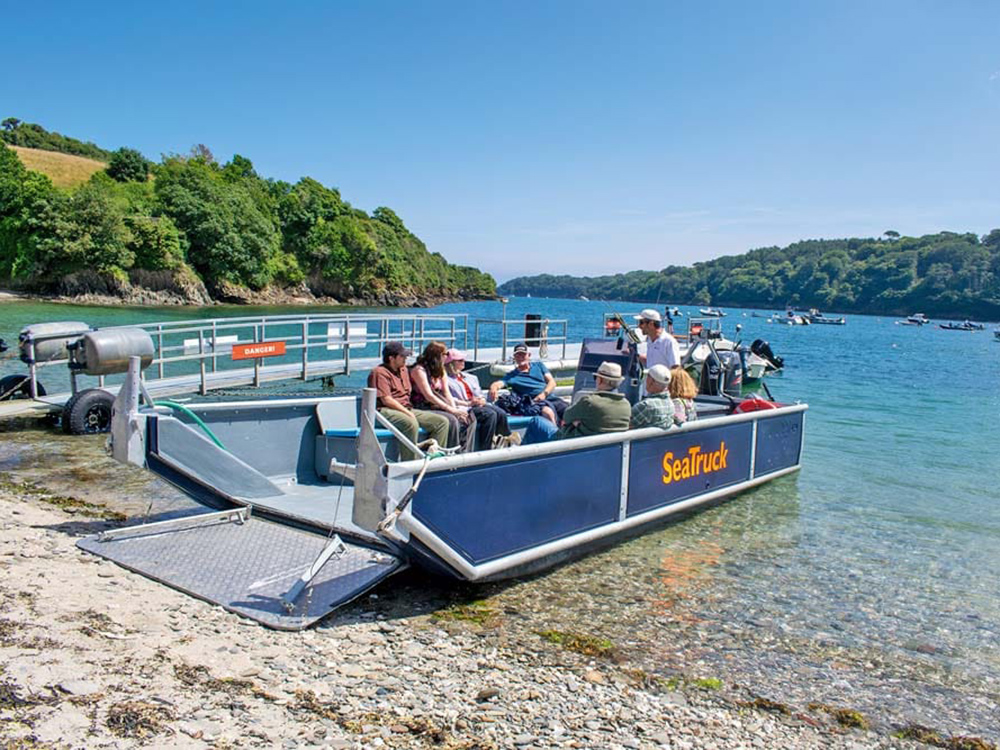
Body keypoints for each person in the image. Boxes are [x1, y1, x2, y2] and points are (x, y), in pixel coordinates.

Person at [367, 342, 450, 461]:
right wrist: (407, 413)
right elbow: (387, 400)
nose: (406, 359)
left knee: (442, 422)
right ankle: (411, 462)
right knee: (410, 423)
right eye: (402, 356)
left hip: (407, 407)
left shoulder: (404, 370)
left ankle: (434, 460)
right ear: (391, 358)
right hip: (385, 411)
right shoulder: (379, 373)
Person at [444, 348, 516, 450]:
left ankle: (505, 440)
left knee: (501, 413)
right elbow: (449, 397)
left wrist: (481, 399)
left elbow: (479, 393)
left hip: (477, 404)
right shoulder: (446, 380)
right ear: (451, 363)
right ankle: (485, 447)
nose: (463, 362)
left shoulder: (471, 378)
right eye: (460, 360)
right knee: (490, 414)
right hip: (465, 407)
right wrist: (469, 403)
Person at [410, 341, 476, 452]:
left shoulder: (441, 371)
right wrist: (451, 410)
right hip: (423, 405)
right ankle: (449, 451)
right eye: (445, 354)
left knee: (468, 418)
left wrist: (455, 410)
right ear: (438, 355)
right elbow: (429, 395)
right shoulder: (419, 370)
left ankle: (464, 451)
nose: (447, 356)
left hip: (438, 405)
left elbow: (446, 393)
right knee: (451, 420)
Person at [488, 343, 566, 424]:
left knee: (568, 410)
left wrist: (544, 394)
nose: (520, 357)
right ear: (514, 357)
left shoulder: (539, 366)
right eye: (517, 355)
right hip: (535, 402)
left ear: (529, 355)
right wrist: (493, 388)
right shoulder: (512, 376)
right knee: (548, 412)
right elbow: (499, 383)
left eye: (523, 355)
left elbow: (552, 382)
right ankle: (556, 434)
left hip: (549, 397)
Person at [557, 361, 631, 439]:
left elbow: (566, 416)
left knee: (543, 425)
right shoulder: (626, 405)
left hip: (577, 446)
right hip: (614, 448)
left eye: (595, 377)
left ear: (600, 380)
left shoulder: (590, 402)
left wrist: (578, 424)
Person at [630, 364, 675, 430]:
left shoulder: (646, 405)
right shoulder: (671, 403)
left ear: (652, 381)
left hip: (642, 440)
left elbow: (625, 425)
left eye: (648, 376)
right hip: (659, 439)